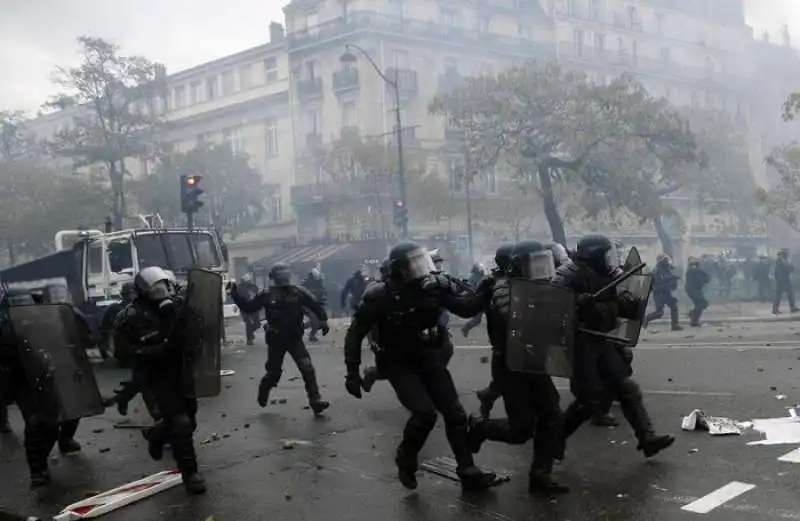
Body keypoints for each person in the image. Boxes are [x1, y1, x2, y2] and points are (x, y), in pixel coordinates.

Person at [342, 242, 497, 491]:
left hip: (427, 356)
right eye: (413, 263)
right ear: (398, 269)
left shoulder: (431, 289)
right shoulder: (379, 296)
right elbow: (355, 333)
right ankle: (406, 456)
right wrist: (351, 371)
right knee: (424, 414)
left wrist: (485, 291)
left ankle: (467, 469)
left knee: (455, 413)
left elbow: (465, 308)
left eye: (420, 261)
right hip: (397, 363)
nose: (420, 268)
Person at [454, 240, 568, 495]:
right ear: (519, 265)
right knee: (521, 429)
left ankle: (540, 476)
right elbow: (510, 314)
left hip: (534, 360)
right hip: (510, 363)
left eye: (544, 262)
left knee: (552, 416)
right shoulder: (502, 288)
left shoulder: (540, 286)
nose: (542, 269)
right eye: (536, 264)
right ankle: (480, 427)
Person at [552, 234, 675, 459]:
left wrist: (629, 301)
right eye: (606, 255)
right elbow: (550, 304)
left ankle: (647, 438)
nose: (610, 260)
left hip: (600, 337)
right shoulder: (569, 274)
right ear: (595, 256)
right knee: (588, 400)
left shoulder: (608, 274)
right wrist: (576, 303)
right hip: (579, 342)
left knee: (627, 388)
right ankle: (554, 441)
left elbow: (623, 299)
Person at [112, 266, 206, 494]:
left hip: (181, 371)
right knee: (181, 423)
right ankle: (190, 473)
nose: (161, 291)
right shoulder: (130, 317)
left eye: (164, 286)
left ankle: (155, 435)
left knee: (188, 422)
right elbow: (122, 353)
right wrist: (154, 351)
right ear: (143, 291)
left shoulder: (179, 307)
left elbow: (200, 331)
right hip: (156, 374)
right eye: (155, 288)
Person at [228, 262, 330, 415]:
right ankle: (264, 389)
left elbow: (315, 305)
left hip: (294, 337)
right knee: (273, 373)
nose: (283, 280)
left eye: (284, 276)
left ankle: (315, 400)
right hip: (276, 339)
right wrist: (235, 294)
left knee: (307, 369)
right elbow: (249, 307)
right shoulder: (267, 295)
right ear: (275, 278)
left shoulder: (298, 292)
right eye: (280, 277)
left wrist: (323, 321)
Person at [474, 243, 514, 418]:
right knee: (506, 384)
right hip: (503, 343)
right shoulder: (491, 283)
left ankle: (486, 397)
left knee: (504, 384)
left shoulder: (521, 280)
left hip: (524, 339)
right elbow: (472, 306)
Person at [644, 254, 682, 331]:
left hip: (667, 292)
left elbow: (670, 277)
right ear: (662, 261)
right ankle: (646, 319)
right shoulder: (657, 270)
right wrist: (670, 279)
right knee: (659, 313)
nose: (667, 261)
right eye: (666, 260)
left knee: (674, 307)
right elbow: (659, 280)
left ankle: (675, 325)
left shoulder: (667, 269)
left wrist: (674, 279)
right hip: (659, 293)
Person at [99, 282, 137, 360]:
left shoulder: (139, 308)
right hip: (125, 350)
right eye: (132, 293)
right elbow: (104, 330)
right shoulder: (114, 309)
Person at [460, 263, 488, 338]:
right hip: (479, 300)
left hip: (485, 299)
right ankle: (465, 328)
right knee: (477, 319)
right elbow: (472, 290)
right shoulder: (473, 279)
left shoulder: (484, 277)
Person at [302, 267, 328, 342]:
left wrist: (324, 299)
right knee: (315, 321)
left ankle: (298, 329)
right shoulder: (306, 283)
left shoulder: (319, 283)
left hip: (318, 304)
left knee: (318, 321)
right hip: (309, 305)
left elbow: (323, 292)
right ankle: (312, 335)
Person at [685, 257, 711, 327]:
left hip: (696, 289)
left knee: (701, 305)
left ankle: (694, 321)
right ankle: (693, 317)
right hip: (693, 290)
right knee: (702, 303)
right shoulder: (692, 270)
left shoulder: (695, 271)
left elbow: (706, 279)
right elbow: (705, 277)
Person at [237, 274, 261, 345]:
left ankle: (251, 332)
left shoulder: (252, 286)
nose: (248, 282)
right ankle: (249, 339)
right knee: (248, 323)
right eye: (246, 281)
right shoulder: (240, 288)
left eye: (248, 281)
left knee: (257, 324)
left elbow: (257, 292)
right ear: (243, 281)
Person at [773, 249, 798, 314]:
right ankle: (775, 309)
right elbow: (789, 269)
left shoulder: (783, 261)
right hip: (782, 281)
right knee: (779, 296)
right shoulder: (781, 262)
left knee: (790, 295)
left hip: (784, 281)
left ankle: (792, 308)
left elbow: (791, 269)